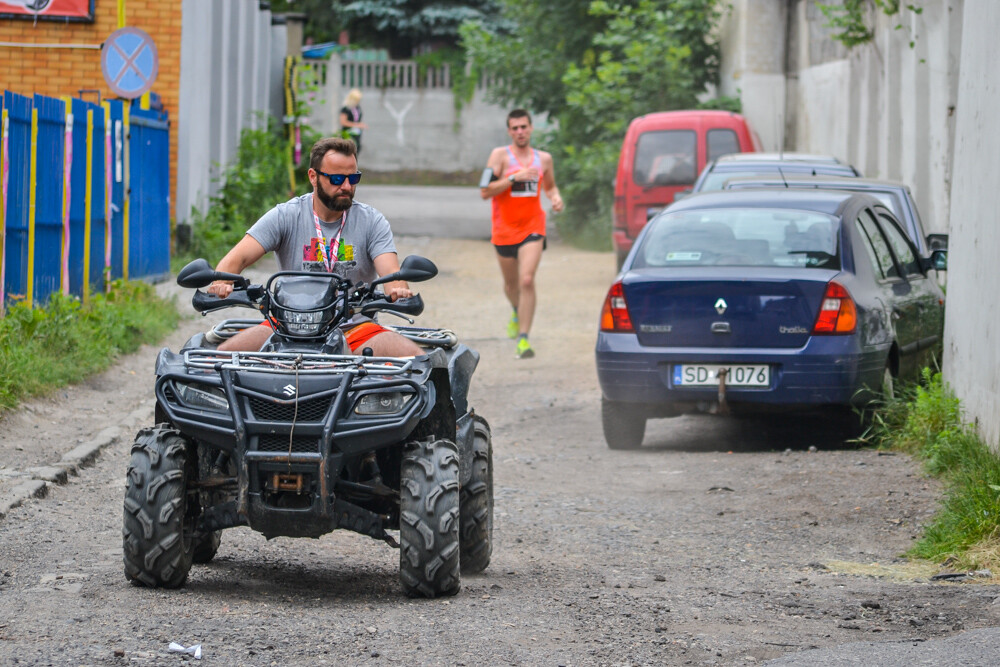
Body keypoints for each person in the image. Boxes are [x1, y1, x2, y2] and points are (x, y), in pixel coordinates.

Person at [207, 137, 423, 357]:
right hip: (286, 328)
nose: (347, 186)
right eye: (337, 178)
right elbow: (237, 258)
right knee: (219, 360)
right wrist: (221, 282)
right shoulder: (286, 215)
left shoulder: (371, 221)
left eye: (353, 178)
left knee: (417, 362)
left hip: (354, 327)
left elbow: (391, 275)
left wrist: (397, 290)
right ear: (313, 177)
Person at [480, 109, 564, 359]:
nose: (520, 132)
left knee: (527, 279)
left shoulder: (544, 159)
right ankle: (516, 310)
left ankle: (524, 339)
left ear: (531, 128)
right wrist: (514, 177)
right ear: (509, 131)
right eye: (515, 128)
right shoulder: (499, 156)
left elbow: (550, 186)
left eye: (524, 127)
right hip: (504, 230)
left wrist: (556, 197)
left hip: (533, 227)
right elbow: (485, 191)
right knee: (511, 284)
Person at [339, 88, 367, 155]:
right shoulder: (345, 109)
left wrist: (360, 125)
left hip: (357, 133)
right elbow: (343, 122)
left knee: (357, 149)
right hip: (348, 133)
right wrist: (357, 125)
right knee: (348, 150)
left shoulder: (357, 108)